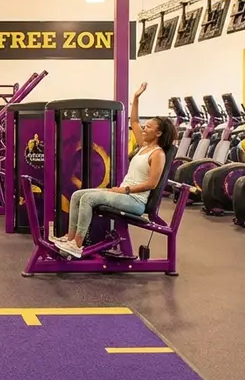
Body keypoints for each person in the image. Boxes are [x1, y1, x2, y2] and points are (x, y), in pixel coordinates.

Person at [53, 82, 176, 258]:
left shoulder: (158, 154)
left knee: (87, 199)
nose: (144, 128)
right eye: (145, 125)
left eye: (148, 126)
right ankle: (70, 238)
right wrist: (136, 97)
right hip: (123, 195)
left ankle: (77, 245)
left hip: (134, 200)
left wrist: (124, 189)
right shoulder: (144, 146)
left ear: (158, 133)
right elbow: (133, 121)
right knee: (77, 195)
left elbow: (152, 183)